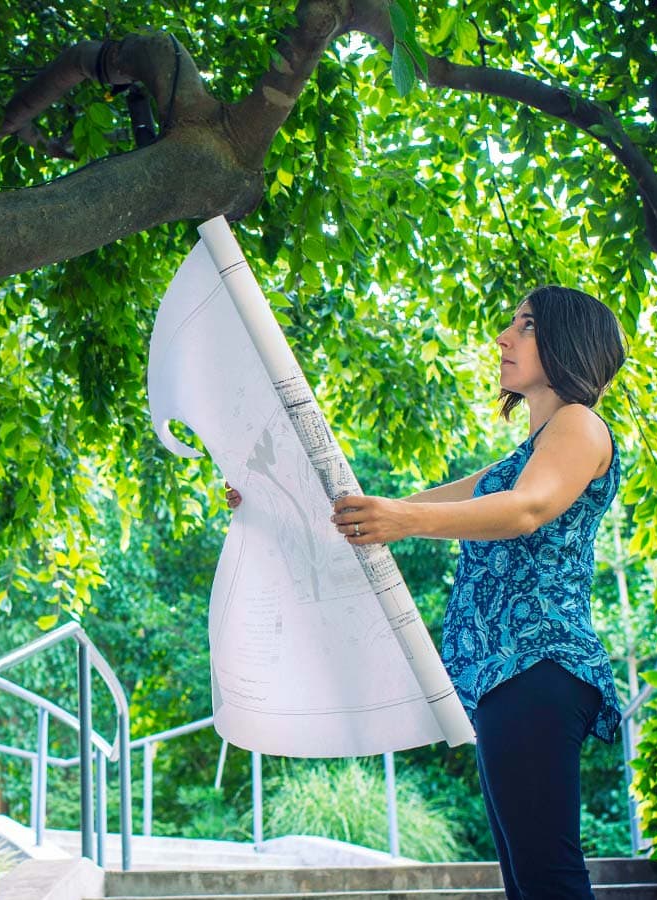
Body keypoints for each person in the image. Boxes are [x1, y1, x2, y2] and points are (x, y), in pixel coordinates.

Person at [229, 285, 626, 899]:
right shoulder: (522, 458)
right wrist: (279, 506)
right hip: (506, 678)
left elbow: (527, 509)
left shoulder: (579, 423)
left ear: (569, 342)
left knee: (548, 880)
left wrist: (403, 520)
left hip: (537, 665)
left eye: (525, 326)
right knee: (529, 882)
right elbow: (391, 510)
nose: (504, 338)